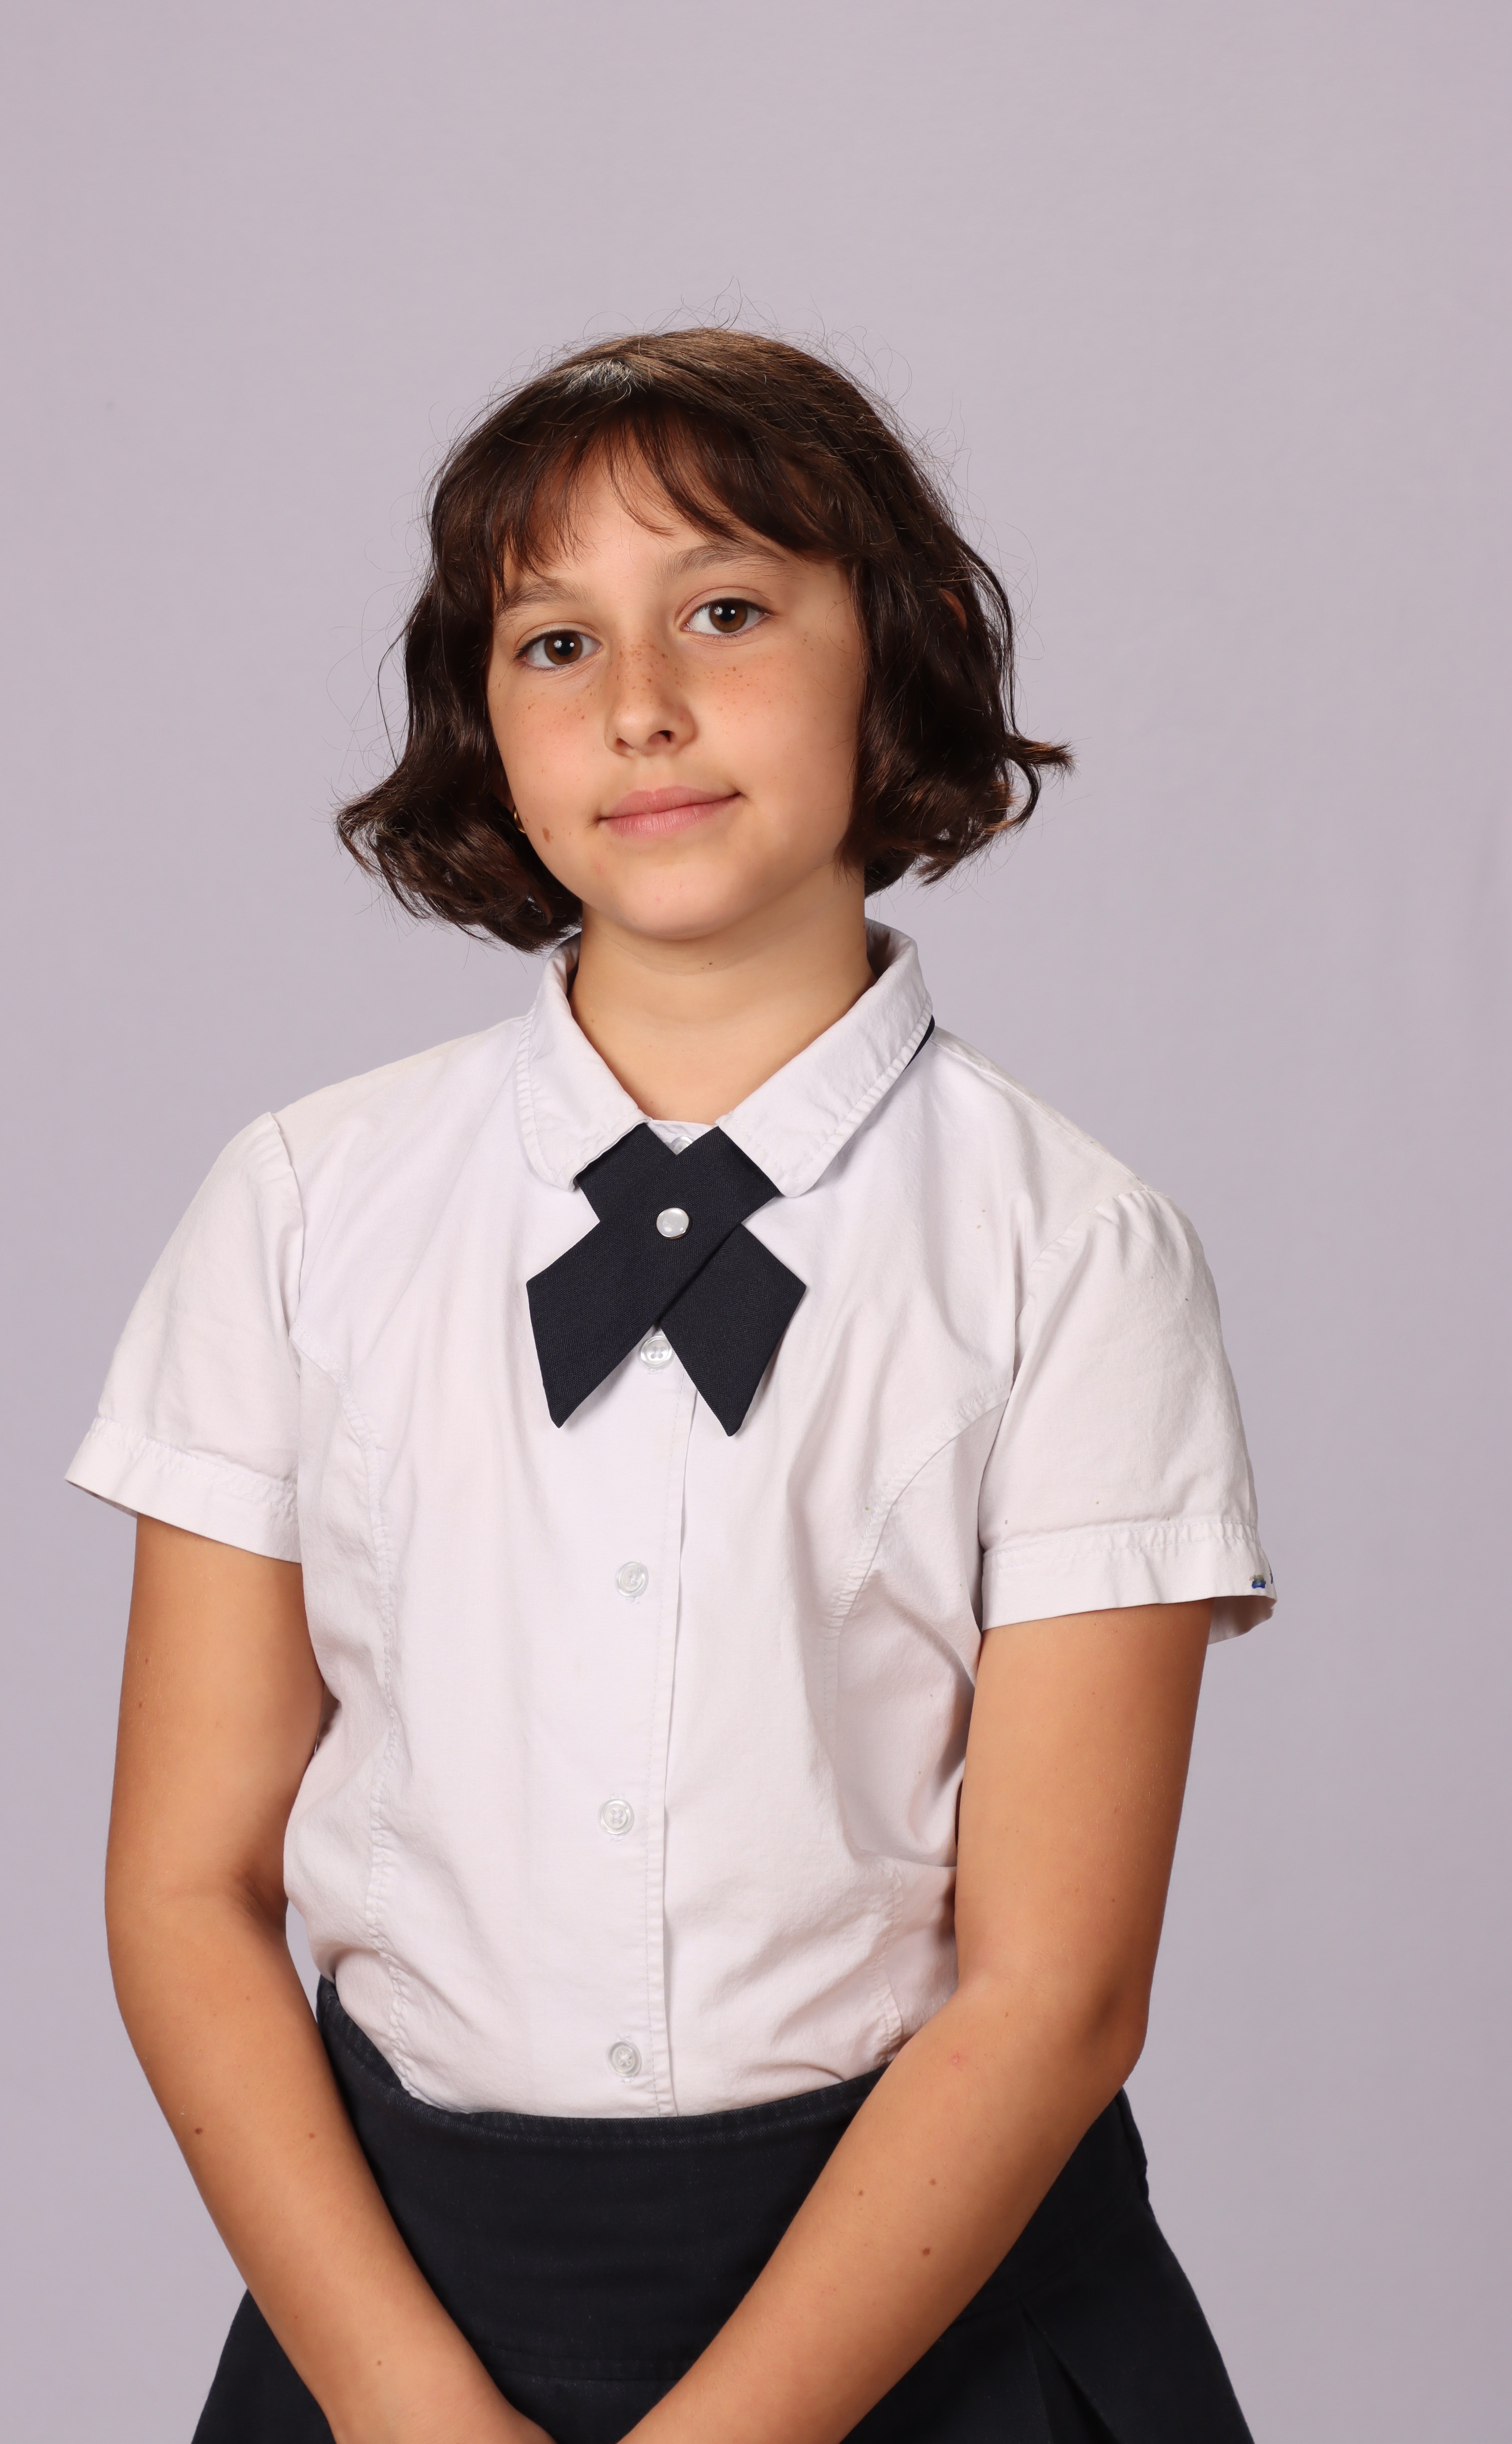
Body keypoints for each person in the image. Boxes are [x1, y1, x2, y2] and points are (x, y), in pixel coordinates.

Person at [69, 328, 1275, 2444]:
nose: (639, 703)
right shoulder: (300, 1207)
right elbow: (187, 1890)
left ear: (892, 654)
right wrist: (406, 2406)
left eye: (723, 612)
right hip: (397, 2334)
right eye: (555, 643)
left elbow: (1055, 1991)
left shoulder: (1071, 1251)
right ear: (485, 721)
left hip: (934, 2320)